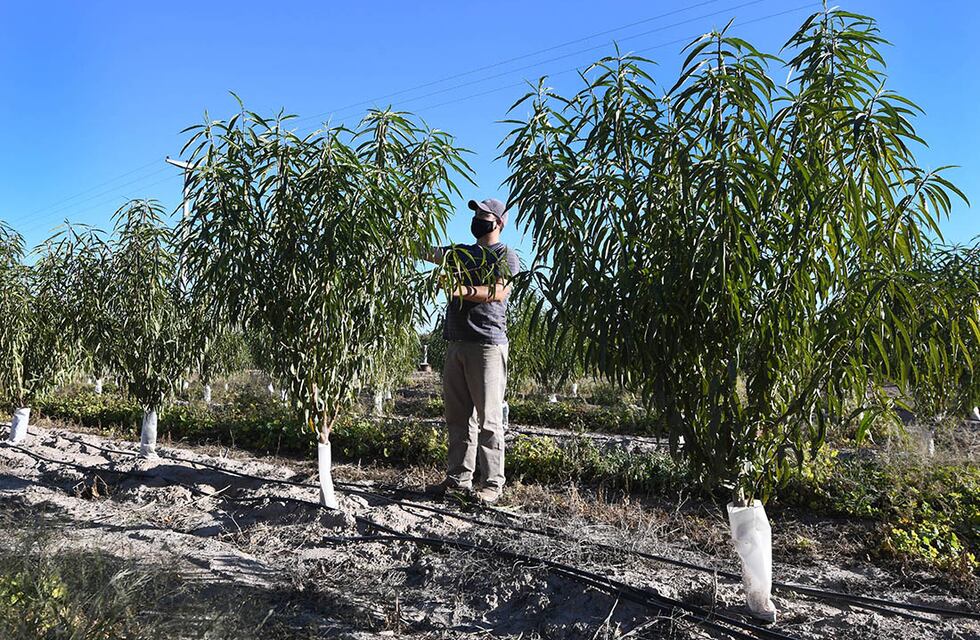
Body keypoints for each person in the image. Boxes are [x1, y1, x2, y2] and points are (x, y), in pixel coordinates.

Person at [426, 198, 520, 505]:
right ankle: (458, 479)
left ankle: (492, 483)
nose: (478, 218)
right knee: (458, 417)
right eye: (477, 214)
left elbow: (498, 291)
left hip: (487, 345)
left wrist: (459, 289)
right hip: (456, 342)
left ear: (499, 222)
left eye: (485, 215)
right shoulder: (463, 253)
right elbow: (428, 251)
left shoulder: (504, 254)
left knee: (489, 420)